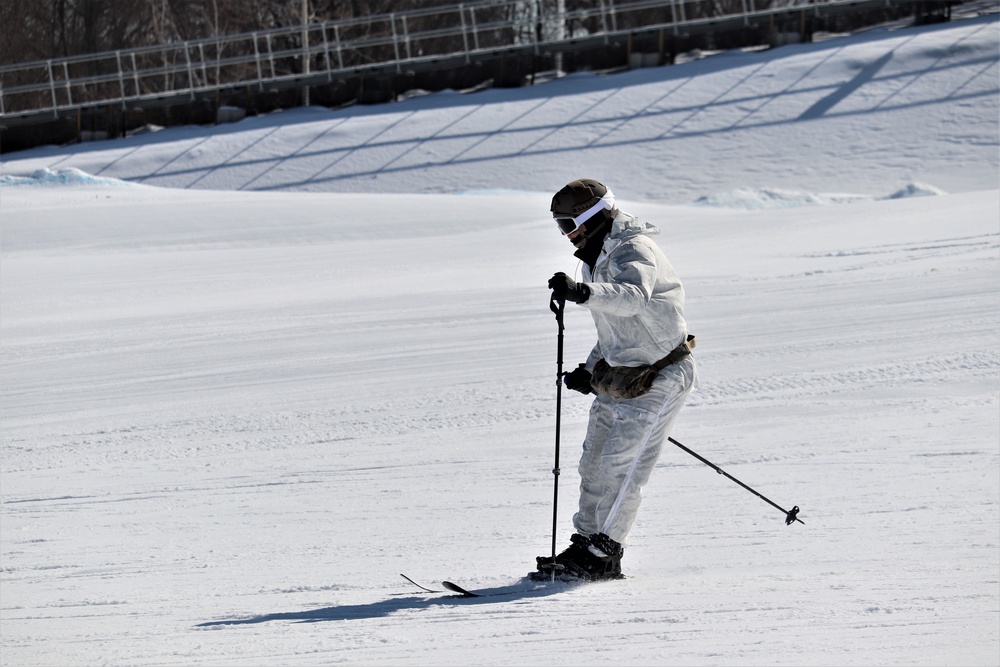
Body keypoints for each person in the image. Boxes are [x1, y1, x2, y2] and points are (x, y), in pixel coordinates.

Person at [536, 178, 698, 581]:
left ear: (592, 217)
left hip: (660, 373)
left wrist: (583, 292)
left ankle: (604, 552)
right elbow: (618, 328)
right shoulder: (598, 255)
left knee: (620, 465)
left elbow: (631, 298)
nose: (566, 234)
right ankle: (585, 543)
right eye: (560, 226)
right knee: (593, 464)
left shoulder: (634, 249)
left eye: (568, 224)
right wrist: (591, 369)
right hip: (620, 374)